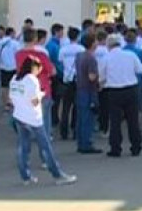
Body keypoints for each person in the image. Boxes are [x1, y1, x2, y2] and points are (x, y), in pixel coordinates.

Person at [9, 56, 77, 186]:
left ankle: (26, 176)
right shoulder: (32, 80)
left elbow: (12, 98)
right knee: (46, 147)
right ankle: (57, 174)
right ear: (33, 68)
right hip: (33, 118)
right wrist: (41, 94)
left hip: (19, 116)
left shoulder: (15, 79)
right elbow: (34, 101)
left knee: (23, 147)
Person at [102, 34, 142, 157]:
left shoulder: (106, 58)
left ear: (108, 45)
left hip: (114, 91)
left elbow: (102, 76)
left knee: (115, 121)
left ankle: (115, 148)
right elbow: (140, 70)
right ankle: (136, 147)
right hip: (131, 89)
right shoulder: (131, 55)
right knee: (133, 120)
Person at [15, 29, 55, 136]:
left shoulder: (18, 55)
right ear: (35, 39)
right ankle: (44, 139)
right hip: (42, 88)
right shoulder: (41, 55)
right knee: (44, 117)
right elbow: (52, 71)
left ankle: (28, 137)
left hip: (26, 89)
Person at [74, 34, 101, 154]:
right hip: (89, 90)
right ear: (92, 44)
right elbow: (91, 77)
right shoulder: (91, 59)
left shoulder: (79, 56)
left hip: (80, 88)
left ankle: (81, 142)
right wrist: (99, 80)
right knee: (88, 118)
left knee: (81, 117)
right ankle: (86, 143)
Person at [58, 31, 85, 140]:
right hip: (78, 79)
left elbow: (60, 63)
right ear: (78, 36)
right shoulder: (81, 49)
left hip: (67, 79)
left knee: (65, 107)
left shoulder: (63, 49)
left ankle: (64, 132)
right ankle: (75, 130)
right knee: (77, 107)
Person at [0, 27, 19, 112]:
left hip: (3, 67)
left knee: (4, 87)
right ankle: (13, 102)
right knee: (14, 86)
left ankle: (6, 104)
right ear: (12, 33)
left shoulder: (0, 43)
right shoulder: (16, 43)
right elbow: (18, 55)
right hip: (13, 67)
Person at [46, 23, 64, 128]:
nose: (63, 33)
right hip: (56, 74)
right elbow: (55, 61)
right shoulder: (53, 46)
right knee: (55, 97)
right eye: (61, 31)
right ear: (57, 32)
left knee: (56, 97)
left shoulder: (53, 44)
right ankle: (54, 118)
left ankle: (54, 117)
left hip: (55, 73)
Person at [94, 30, 111, 135]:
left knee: (96, 103)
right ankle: (104, 127)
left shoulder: (94, 50)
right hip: (105, 79)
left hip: (94, 77)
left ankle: (95, 123)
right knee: (105, 105)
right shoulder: (107, 51)